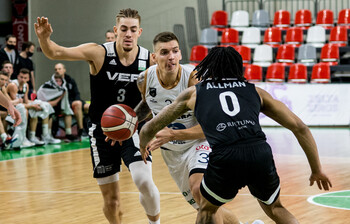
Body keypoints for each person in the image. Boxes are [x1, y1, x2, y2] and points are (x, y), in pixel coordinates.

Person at [138, 47, 333, 224]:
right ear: (239, 68)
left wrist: (143, 146)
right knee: (276, 208)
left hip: (226, 157)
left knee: (207, 210)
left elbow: (148, 128)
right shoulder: (256, 91)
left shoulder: (194, 94)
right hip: (259, 153)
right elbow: (300, 127)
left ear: (209, 69)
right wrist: (316, 169)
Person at [34, 8, 160, 224]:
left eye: (132, 30)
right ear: (115, 30)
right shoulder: (98, 53)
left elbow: (155, 100)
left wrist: (150, 129)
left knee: (144, 181)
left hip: (134, 128)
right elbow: (55, 53)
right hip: (102, 132)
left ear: (139, 32)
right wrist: (44, 38)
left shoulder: (148, 60)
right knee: (112, 202)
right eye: (123, 29)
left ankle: (154, 222)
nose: (128, 34)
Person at [136, 32, 239, 224]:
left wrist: (173, 133)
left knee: (199, 190)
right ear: (154, 57)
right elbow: (148, 107)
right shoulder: (144, 80)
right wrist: (131, 124)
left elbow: (212, 127)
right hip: (172, 154)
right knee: (203, 205)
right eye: (164, 52)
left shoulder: (194, 79)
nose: (171, 57)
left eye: (175, 51)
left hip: (198, 143)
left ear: (180, 54)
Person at [7, 68, 56, 146]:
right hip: (11, 108)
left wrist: (38, 104)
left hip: (20, 105)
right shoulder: (13, 85)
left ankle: (39, 136)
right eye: (21, 77)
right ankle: (22, 137)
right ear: (18, 76)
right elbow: (16, 104)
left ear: (29, 79)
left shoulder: (26, 85)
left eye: (25, 78)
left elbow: (26, 101)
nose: (23, 79)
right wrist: (32, 106)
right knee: (26, 110)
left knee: (43, 106)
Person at [36, 72, 77, 143]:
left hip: (57, 108)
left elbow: (65, 103)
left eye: (60, 81)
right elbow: (43, 102)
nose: (58, 83)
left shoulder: (63, 89)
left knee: (68, 112)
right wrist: (60, 97)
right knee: (50, 113)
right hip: (43, 107)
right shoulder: (46, 87)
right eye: (57, 81)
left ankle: (68, 134)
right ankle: (47, 135)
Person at [54, 63, 89, 139]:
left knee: (88, 107)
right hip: (63, 104)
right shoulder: (54, 82)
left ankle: (90, 128)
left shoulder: (70, 80)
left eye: (59, 69)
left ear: (64, 70)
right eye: (56, 69)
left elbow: (76, 93)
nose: (57, 71)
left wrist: (79, 101)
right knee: (77, 104)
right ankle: (81, 130)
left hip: (74, 101)